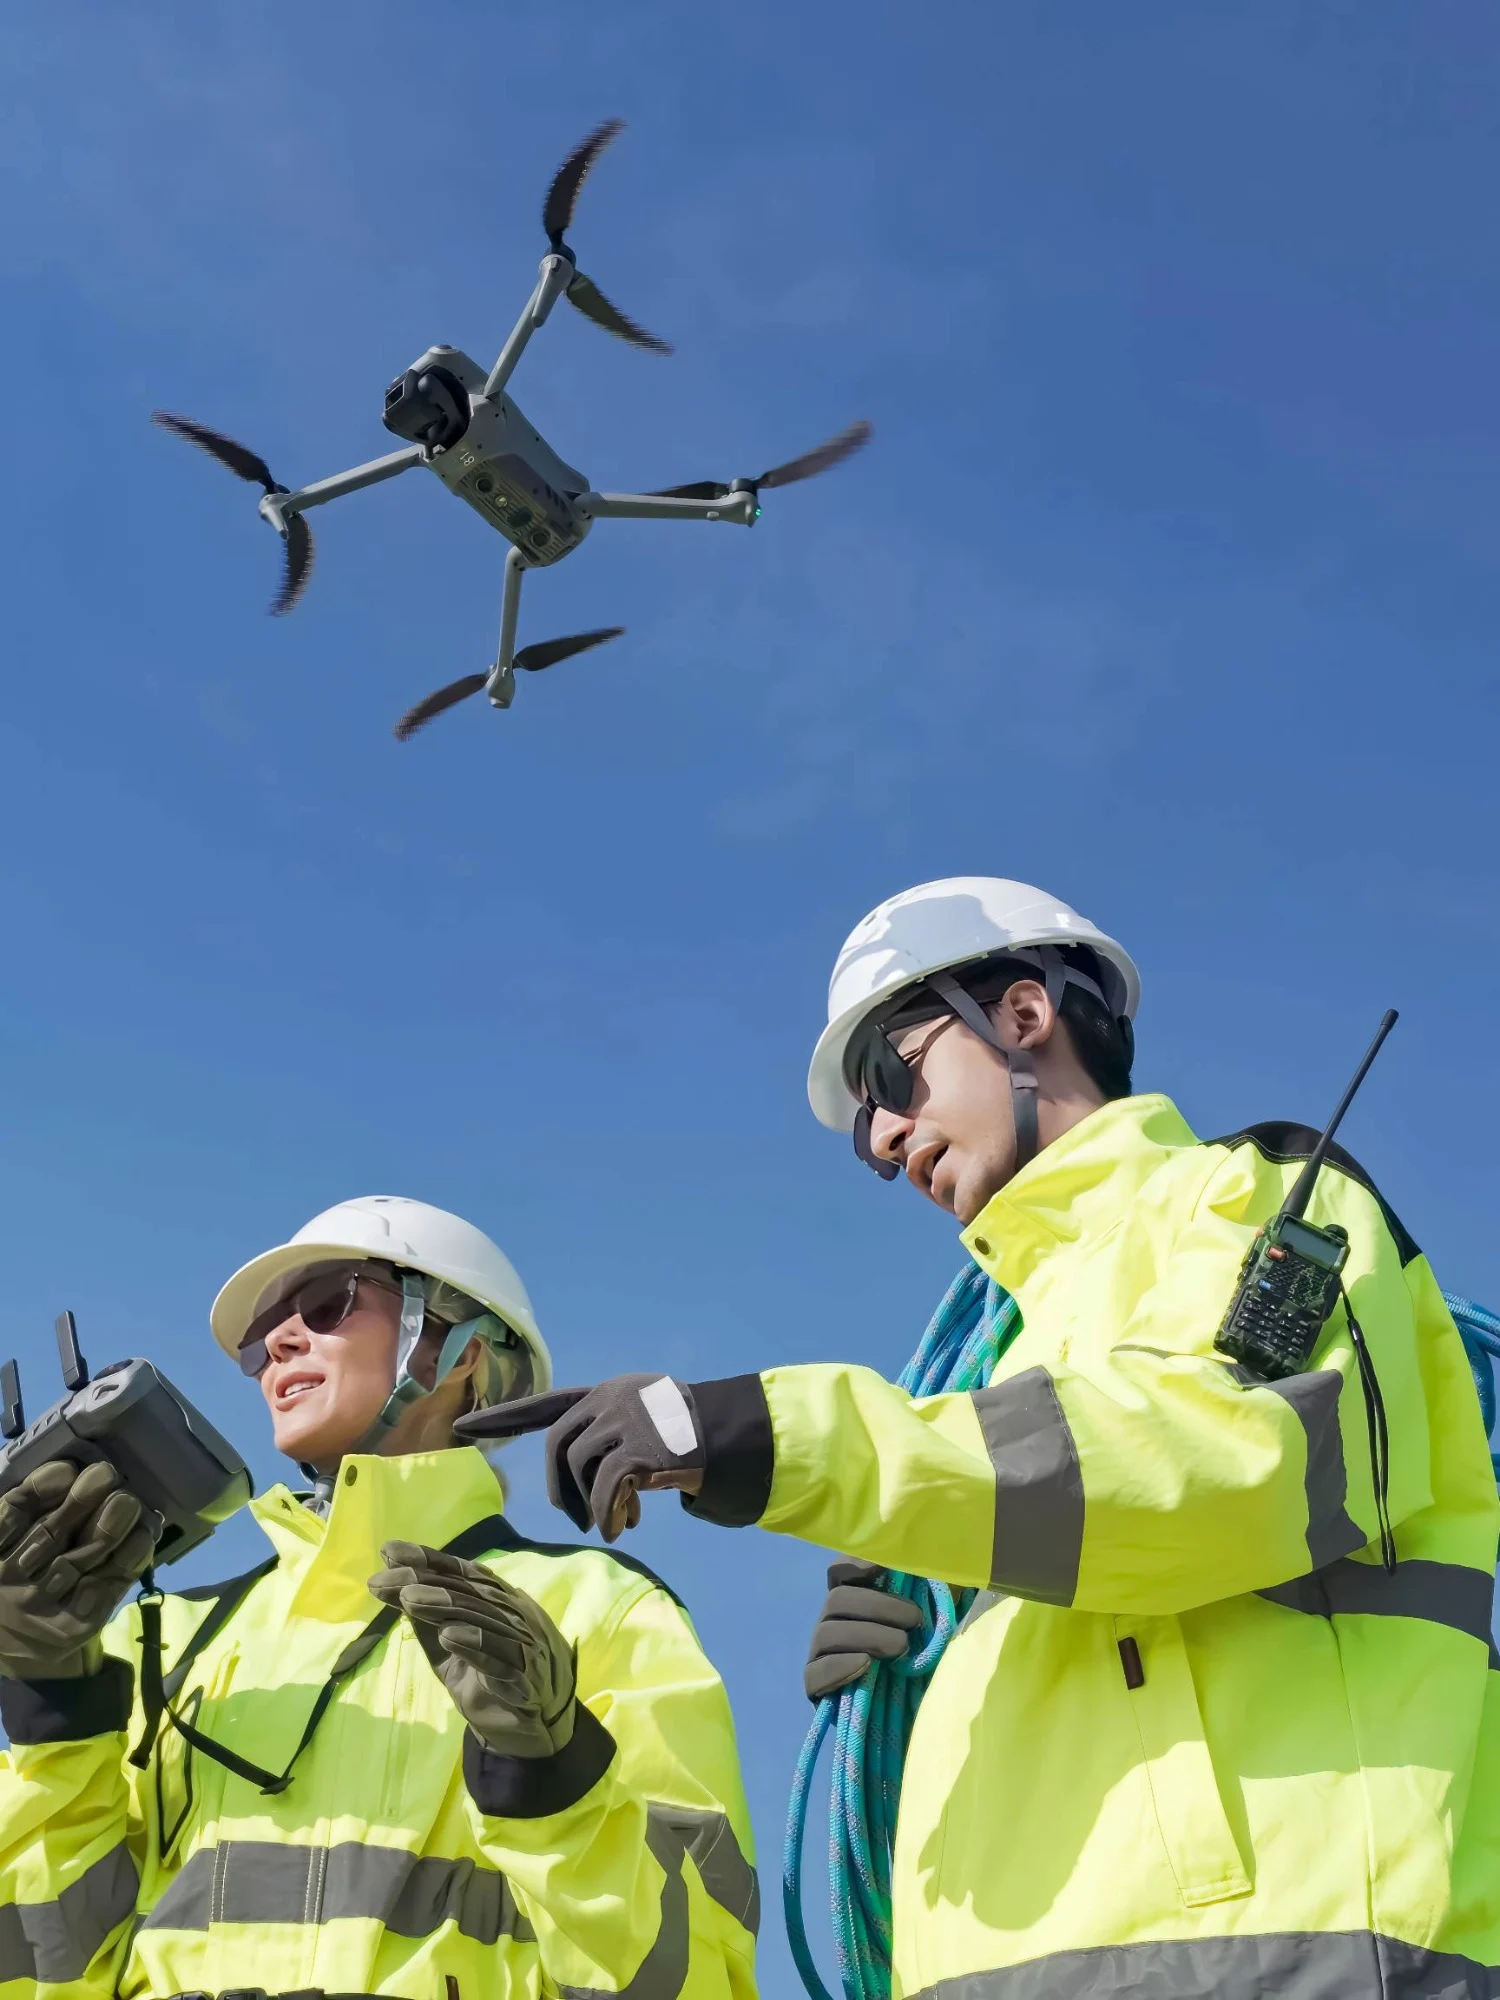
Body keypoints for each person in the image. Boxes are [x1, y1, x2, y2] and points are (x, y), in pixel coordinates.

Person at [468, 878, 1500, 2000]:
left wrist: (778, 1435)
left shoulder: (1256, 1200)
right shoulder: (999, 1353)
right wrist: (927, 1661)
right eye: (865, 1128)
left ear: (1023, 1014)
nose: (880, 1134)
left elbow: (1225, 1458)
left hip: (1285, 1952)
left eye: (887, 1076)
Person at [0, 1195, 758, 2000]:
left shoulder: (600, 1609)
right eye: (263, 1341)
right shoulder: (156, 1640)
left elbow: (693, 1980)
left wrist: (558, 1784)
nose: (281, 1341)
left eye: (329, 1303)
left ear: (463, 1350)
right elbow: (38, 1974)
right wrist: (56, 1710)